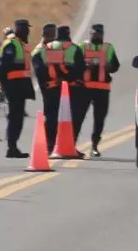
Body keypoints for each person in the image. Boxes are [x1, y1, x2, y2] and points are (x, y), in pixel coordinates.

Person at [41, 25, 86, 158]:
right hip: (71, 90)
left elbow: (40, 67)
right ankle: (69, 145)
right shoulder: (74, 49)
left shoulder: (47, 48)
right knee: (71, 119)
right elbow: (81, 69)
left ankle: (49, 146)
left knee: (51, 117)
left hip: (51, 88)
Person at [77, 23, 120, 157]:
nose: (96, 35)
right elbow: (75, 63)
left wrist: (109, 67)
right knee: (78, 117)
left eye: (99, 33)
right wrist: (85, 65)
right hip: (85, 88)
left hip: (102, 89)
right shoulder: (82, 46)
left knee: (99, 119)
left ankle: (94, 145)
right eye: (94, 33)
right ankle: (72, 143)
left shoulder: (108, 48)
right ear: (90, 34)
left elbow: (116, 66)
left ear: (102, 34)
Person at [0, 19, 35, 157]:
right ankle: (11, 147)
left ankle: (13, 147)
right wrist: (5, 86)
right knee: (15, 117)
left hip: (20, 87)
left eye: (28, 29)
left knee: (17, 117)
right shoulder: (12, 44)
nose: (28, 31)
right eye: (25, 29)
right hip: (14, 87)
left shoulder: (21, 44)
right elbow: (2, 69)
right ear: (18, 29)